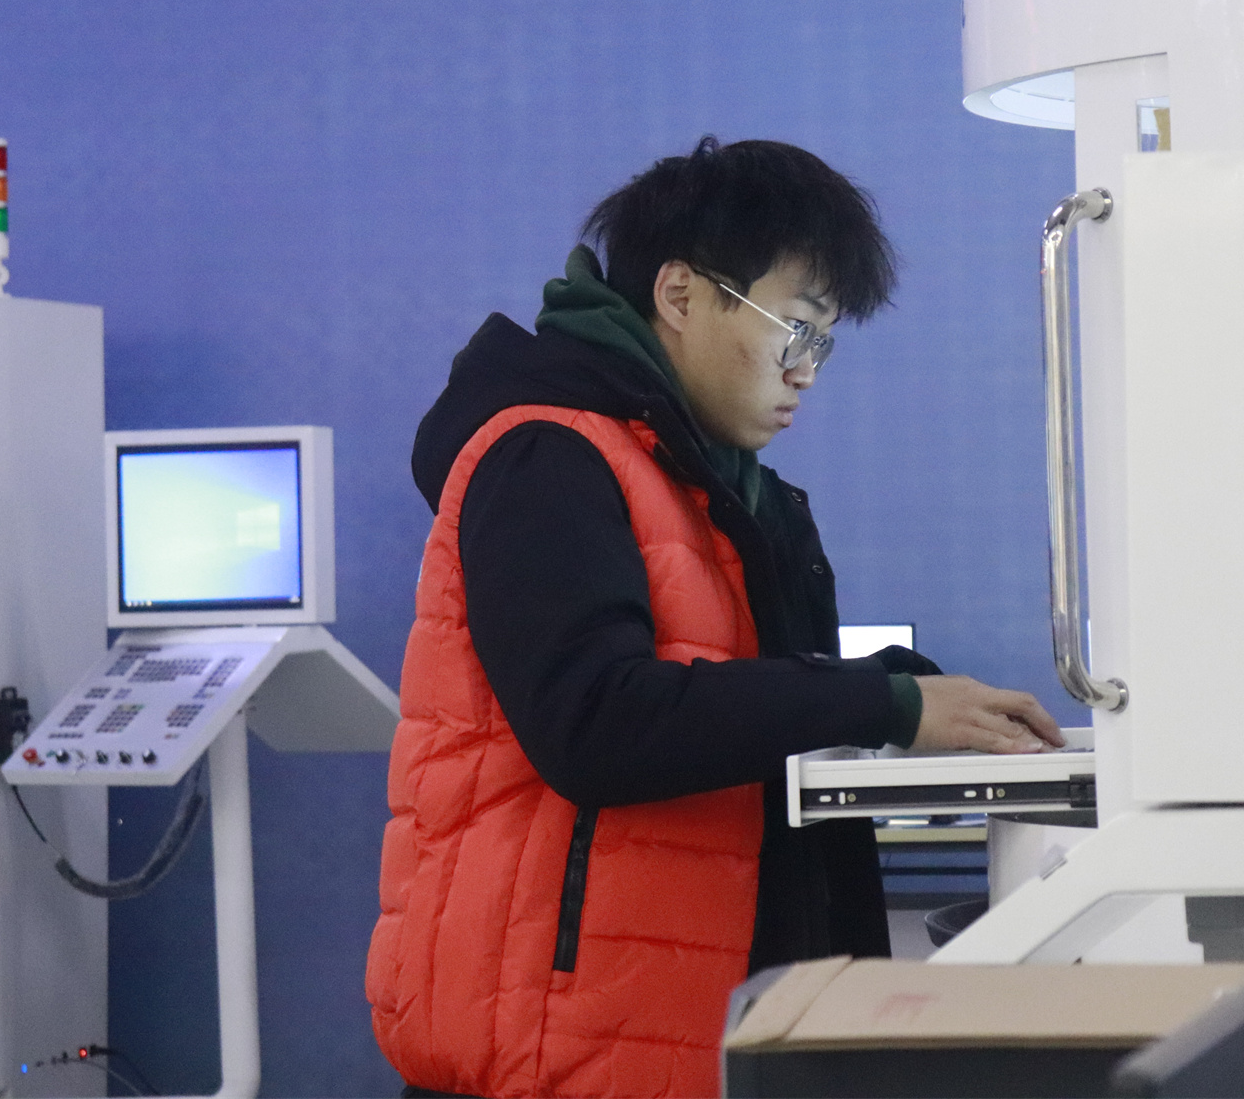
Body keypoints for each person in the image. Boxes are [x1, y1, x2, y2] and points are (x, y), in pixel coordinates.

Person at [366, 137, 1064, 1099]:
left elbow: (746, 698)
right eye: (796, 328)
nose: (807, 371)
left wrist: (906, 692)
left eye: (824, 342)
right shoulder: (546, 457)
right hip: (558, 1053)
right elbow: (597, 723)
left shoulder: (723, 488)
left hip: (683, 1033)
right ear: (681, 294)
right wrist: (880, 703)